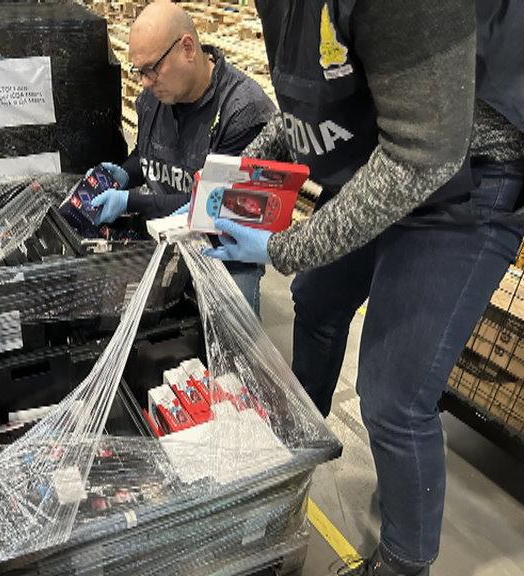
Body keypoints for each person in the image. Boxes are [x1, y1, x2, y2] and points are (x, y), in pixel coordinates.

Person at [200, 1, 524, 575]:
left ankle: (402, 563)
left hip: (465, 175)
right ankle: (300, 436)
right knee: (317, 299)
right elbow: (311, 111)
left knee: (393, 397)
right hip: (389, 148)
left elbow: (420, 156)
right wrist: (223, 182)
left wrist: (281, 248)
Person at [90, 0, 274, 314]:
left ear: (187, 48)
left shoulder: (242, 111)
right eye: (139, 71)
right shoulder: (155, 97)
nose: (145, 82)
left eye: (152, 69)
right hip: (164, 237)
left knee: (230, 327)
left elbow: (214, 207)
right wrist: (125, 173)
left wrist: (130, 201)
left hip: (222, 250)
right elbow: (147, 152)